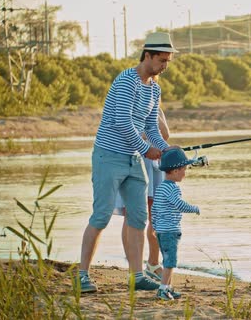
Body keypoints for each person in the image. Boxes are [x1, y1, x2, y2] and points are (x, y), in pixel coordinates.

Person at [76, 31, 177, 293]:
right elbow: (123, 123)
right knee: (101, 216)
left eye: (168, 61)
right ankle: (82, 275)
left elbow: (150, 126)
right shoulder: (126, 81)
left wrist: (166, 150)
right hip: (108, 157)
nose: (165, 66)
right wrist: (147, 149)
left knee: (139, 217)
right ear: (148, 55)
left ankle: (137, 276)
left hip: (133, 160)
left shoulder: (154, 88)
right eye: (162, 60)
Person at [116, 107, 169, 281]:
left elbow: (165, 135)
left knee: (156, 215)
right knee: (131, 215)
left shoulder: (156, 107)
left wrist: (155, 111)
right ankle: (134, 267)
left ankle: (153, 264)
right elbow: (128, 135)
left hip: (155, 164)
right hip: (134, 161)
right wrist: (145, 137)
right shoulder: (127, 107)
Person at [151, 147, 201, 300]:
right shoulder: (172, 188)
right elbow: (178, 204)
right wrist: (194, 208)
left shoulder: (160, 188)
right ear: (174, 171)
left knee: (167, 259)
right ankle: (163, 289)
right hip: (170, 231)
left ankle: (169, 288)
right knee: (170, 261)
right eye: (183, 169)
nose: (185, 173)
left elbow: (154, 209)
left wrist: (154, 225)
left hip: (161, 230)